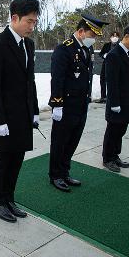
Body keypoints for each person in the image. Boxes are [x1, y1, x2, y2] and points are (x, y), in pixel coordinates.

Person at [0, 0, 40, 223]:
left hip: (23, 114)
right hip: (5, 117)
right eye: (29, 21)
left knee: (17, 158)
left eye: (35, 22)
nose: (32, 26)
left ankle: (9, 198)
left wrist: (34, 110)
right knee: (2, 159)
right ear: (14, 18)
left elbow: (30, 81)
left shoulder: (29, 44)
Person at [49, 14, 109, 192]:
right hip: (66, 105)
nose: (94, 39)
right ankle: (55, 175)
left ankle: (65, 172)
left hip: (81, 104)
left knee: (73, 140)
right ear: (81, 31)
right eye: (92, 34)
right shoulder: (64, 49)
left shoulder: (87, 50)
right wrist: (57, 104)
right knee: (60, 141)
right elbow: (57, 79)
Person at [102, 25, 129, 172]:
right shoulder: (114, 55)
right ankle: (107, 158)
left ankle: (115, 155)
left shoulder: (128, 53)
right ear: (126, 36)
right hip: (117, 102)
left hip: (127, 101)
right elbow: (111, 81)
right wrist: (114, 103)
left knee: (121, 130)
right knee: (113, 130)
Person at [94, 31, 120, 103]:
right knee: (103, 80)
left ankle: (112, 97)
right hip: (105, 65)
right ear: (110, 37)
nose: (114, 38)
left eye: (116, 36)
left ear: (118, 37)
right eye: (113, 36)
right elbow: (101, 53)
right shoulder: (107, 45)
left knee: (113, 81)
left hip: (115, 66)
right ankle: (103, 97)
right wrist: (104, 55)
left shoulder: (120, 46)